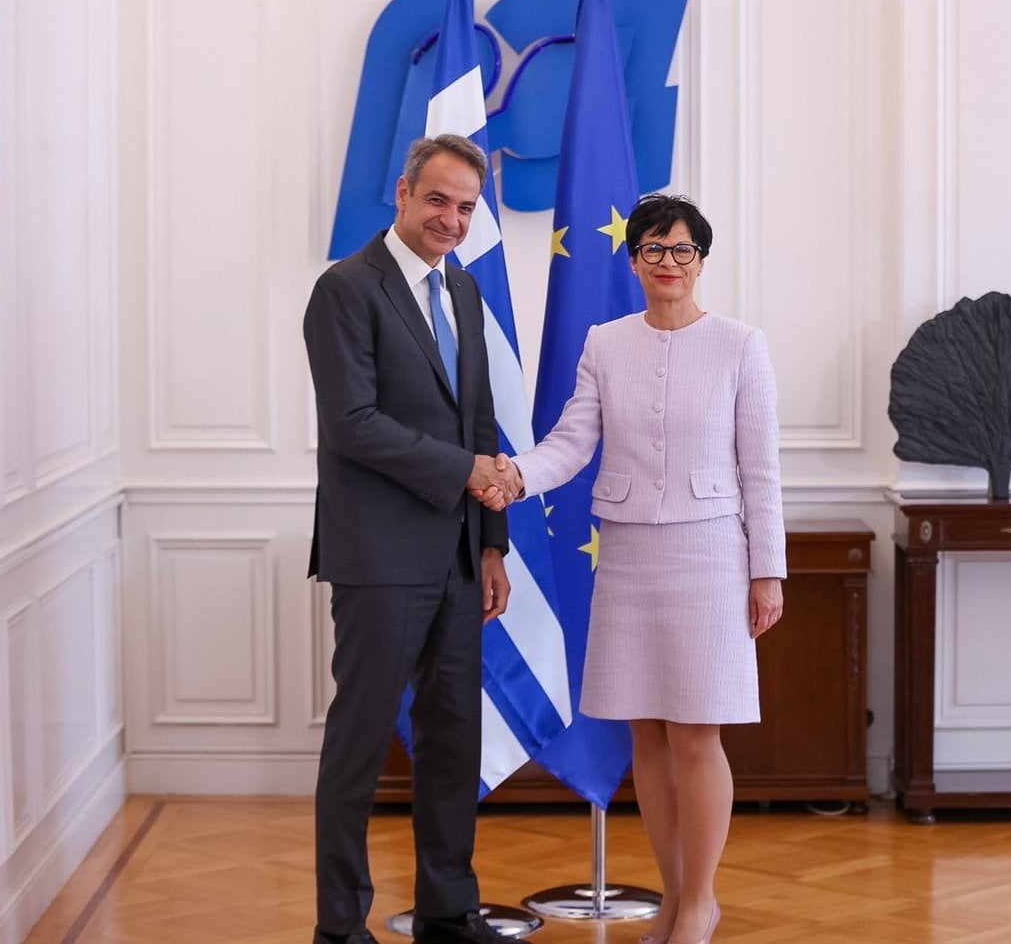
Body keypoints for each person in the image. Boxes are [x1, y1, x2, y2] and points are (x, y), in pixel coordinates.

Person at [479, 194, 785, 944]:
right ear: (634, 260)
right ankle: (673, 898)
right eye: (652, 249)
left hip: (710, 554)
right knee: (646, 733)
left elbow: (762, 469)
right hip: (628, 554)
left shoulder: (741, 345)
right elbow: (571, 442)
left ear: (700, 260)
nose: (667, 262)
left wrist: (767, 571)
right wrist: (515, 475)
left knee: (696, 733)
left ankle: (701, 902)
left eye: (681, 249)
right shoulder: (605, 342)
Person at [304, 134, 520, 944]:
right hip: (379, 557)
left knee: (452, 738)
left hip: (460, 557)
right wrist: (464, 471)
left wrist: (491, 543)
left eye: (465, 207)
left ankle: (447, 909)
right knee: (359, 745)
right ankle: (339, 927)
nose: (451, 219)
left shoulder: (461, 287)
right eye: (437, 200)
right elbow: (353, 423)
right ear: (401, 193)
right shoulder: (344, 288)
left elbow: (480, 418)